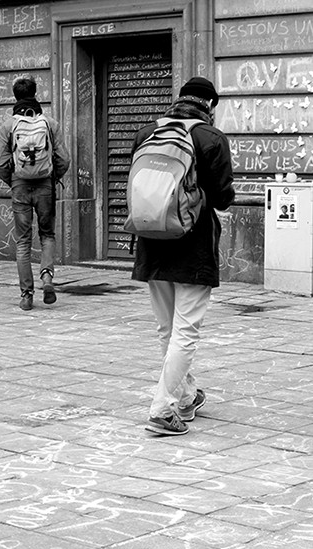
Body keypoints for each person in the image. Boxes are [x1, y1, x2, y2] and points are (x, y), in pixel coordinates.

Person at [132, 77, 235, 436]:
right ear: (210, 105)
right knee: (186, 331)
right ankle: (162, 409)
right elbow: (222, 197)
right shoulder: (210, 137)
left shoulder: (147, 133)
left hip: (151, 241)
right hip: (193, 245)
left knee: (167, 329)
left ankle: (187, 395)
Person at [0, 76, 70, 310]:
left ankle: (27, 295)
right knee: (47, 235)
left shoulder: (9, 125)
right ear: (36, 93)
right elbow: (64, 159)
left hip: (20, 186)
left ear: (15, 96)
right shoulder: (50, 123)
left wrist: (14, 180)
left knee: (23, 242)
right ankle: (47, 276)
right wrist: (53, 177)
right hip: (45, 185)